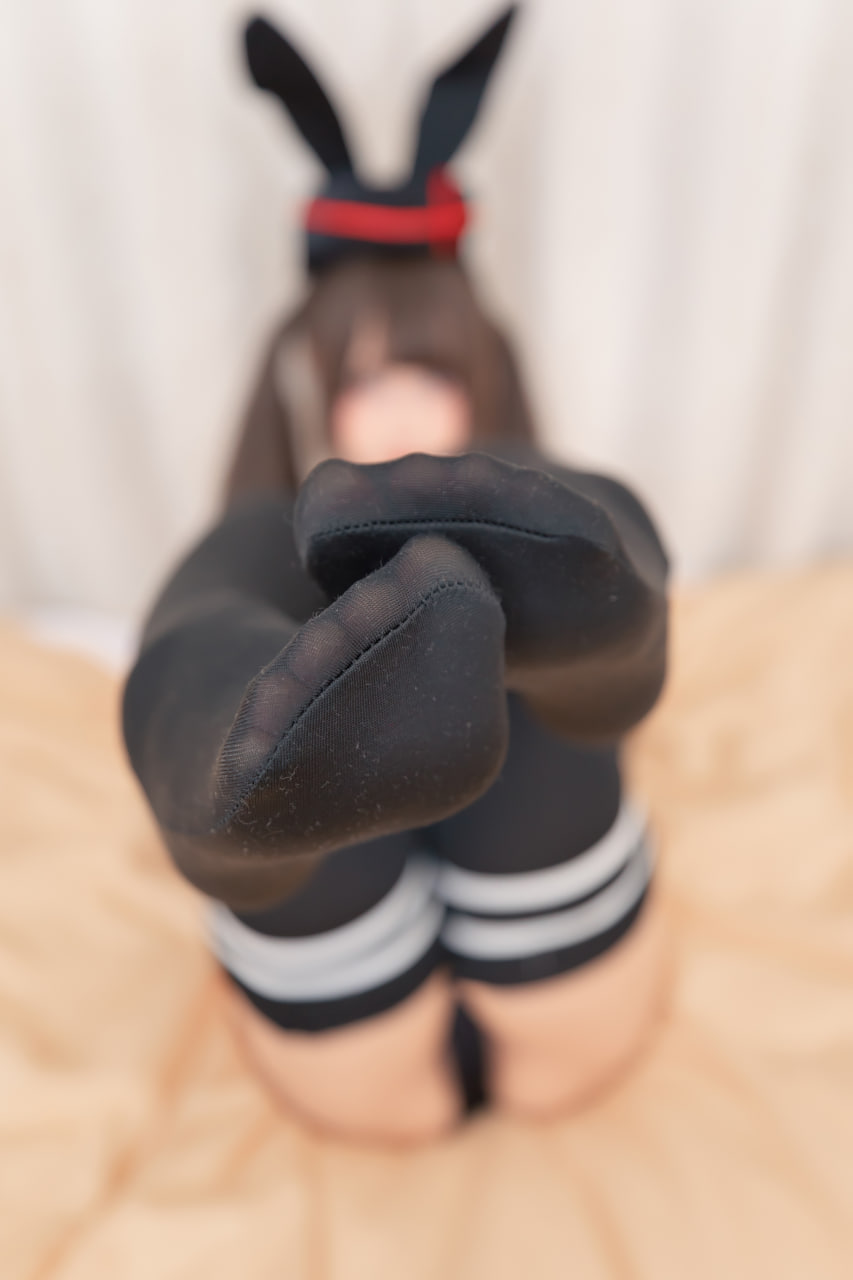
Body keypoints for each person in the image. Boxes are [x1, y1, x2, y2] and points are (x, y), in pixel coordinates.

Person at [122, 10, 671, 1144]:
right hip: (363, 1006)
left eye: (430, 375)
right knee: (241, 595)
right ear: (310, 390)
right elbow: (206, 605)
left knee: (547, 569)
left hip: (548, 952)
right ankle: (248, 774)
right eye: (363, 382)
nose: (399, 416)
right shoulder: (263, 537)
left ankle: (592, 636)